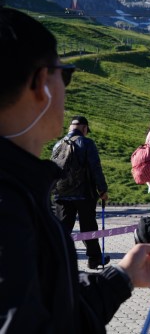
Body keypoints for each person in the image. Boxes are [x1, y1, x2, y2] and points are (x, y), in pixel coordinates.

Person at [0, 7, 150, 332]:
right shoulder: (9, 204)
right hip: (85, 196)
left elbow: (53, 308)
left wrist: (121, 276)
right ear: (41, 84)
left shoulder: (21, 189)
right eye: (64, 74)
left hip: (65, 197)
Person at [52, 115, 110, 269]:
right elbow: (95, 168)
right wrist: (102, 189)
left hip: (61, 193)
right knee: (89, 226)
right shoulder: (87, 143)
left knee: (62, 228)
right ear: (84, 128)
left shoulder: (58, 144)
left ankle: (56, 260)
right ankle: (94, 259)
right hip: (84, 193)